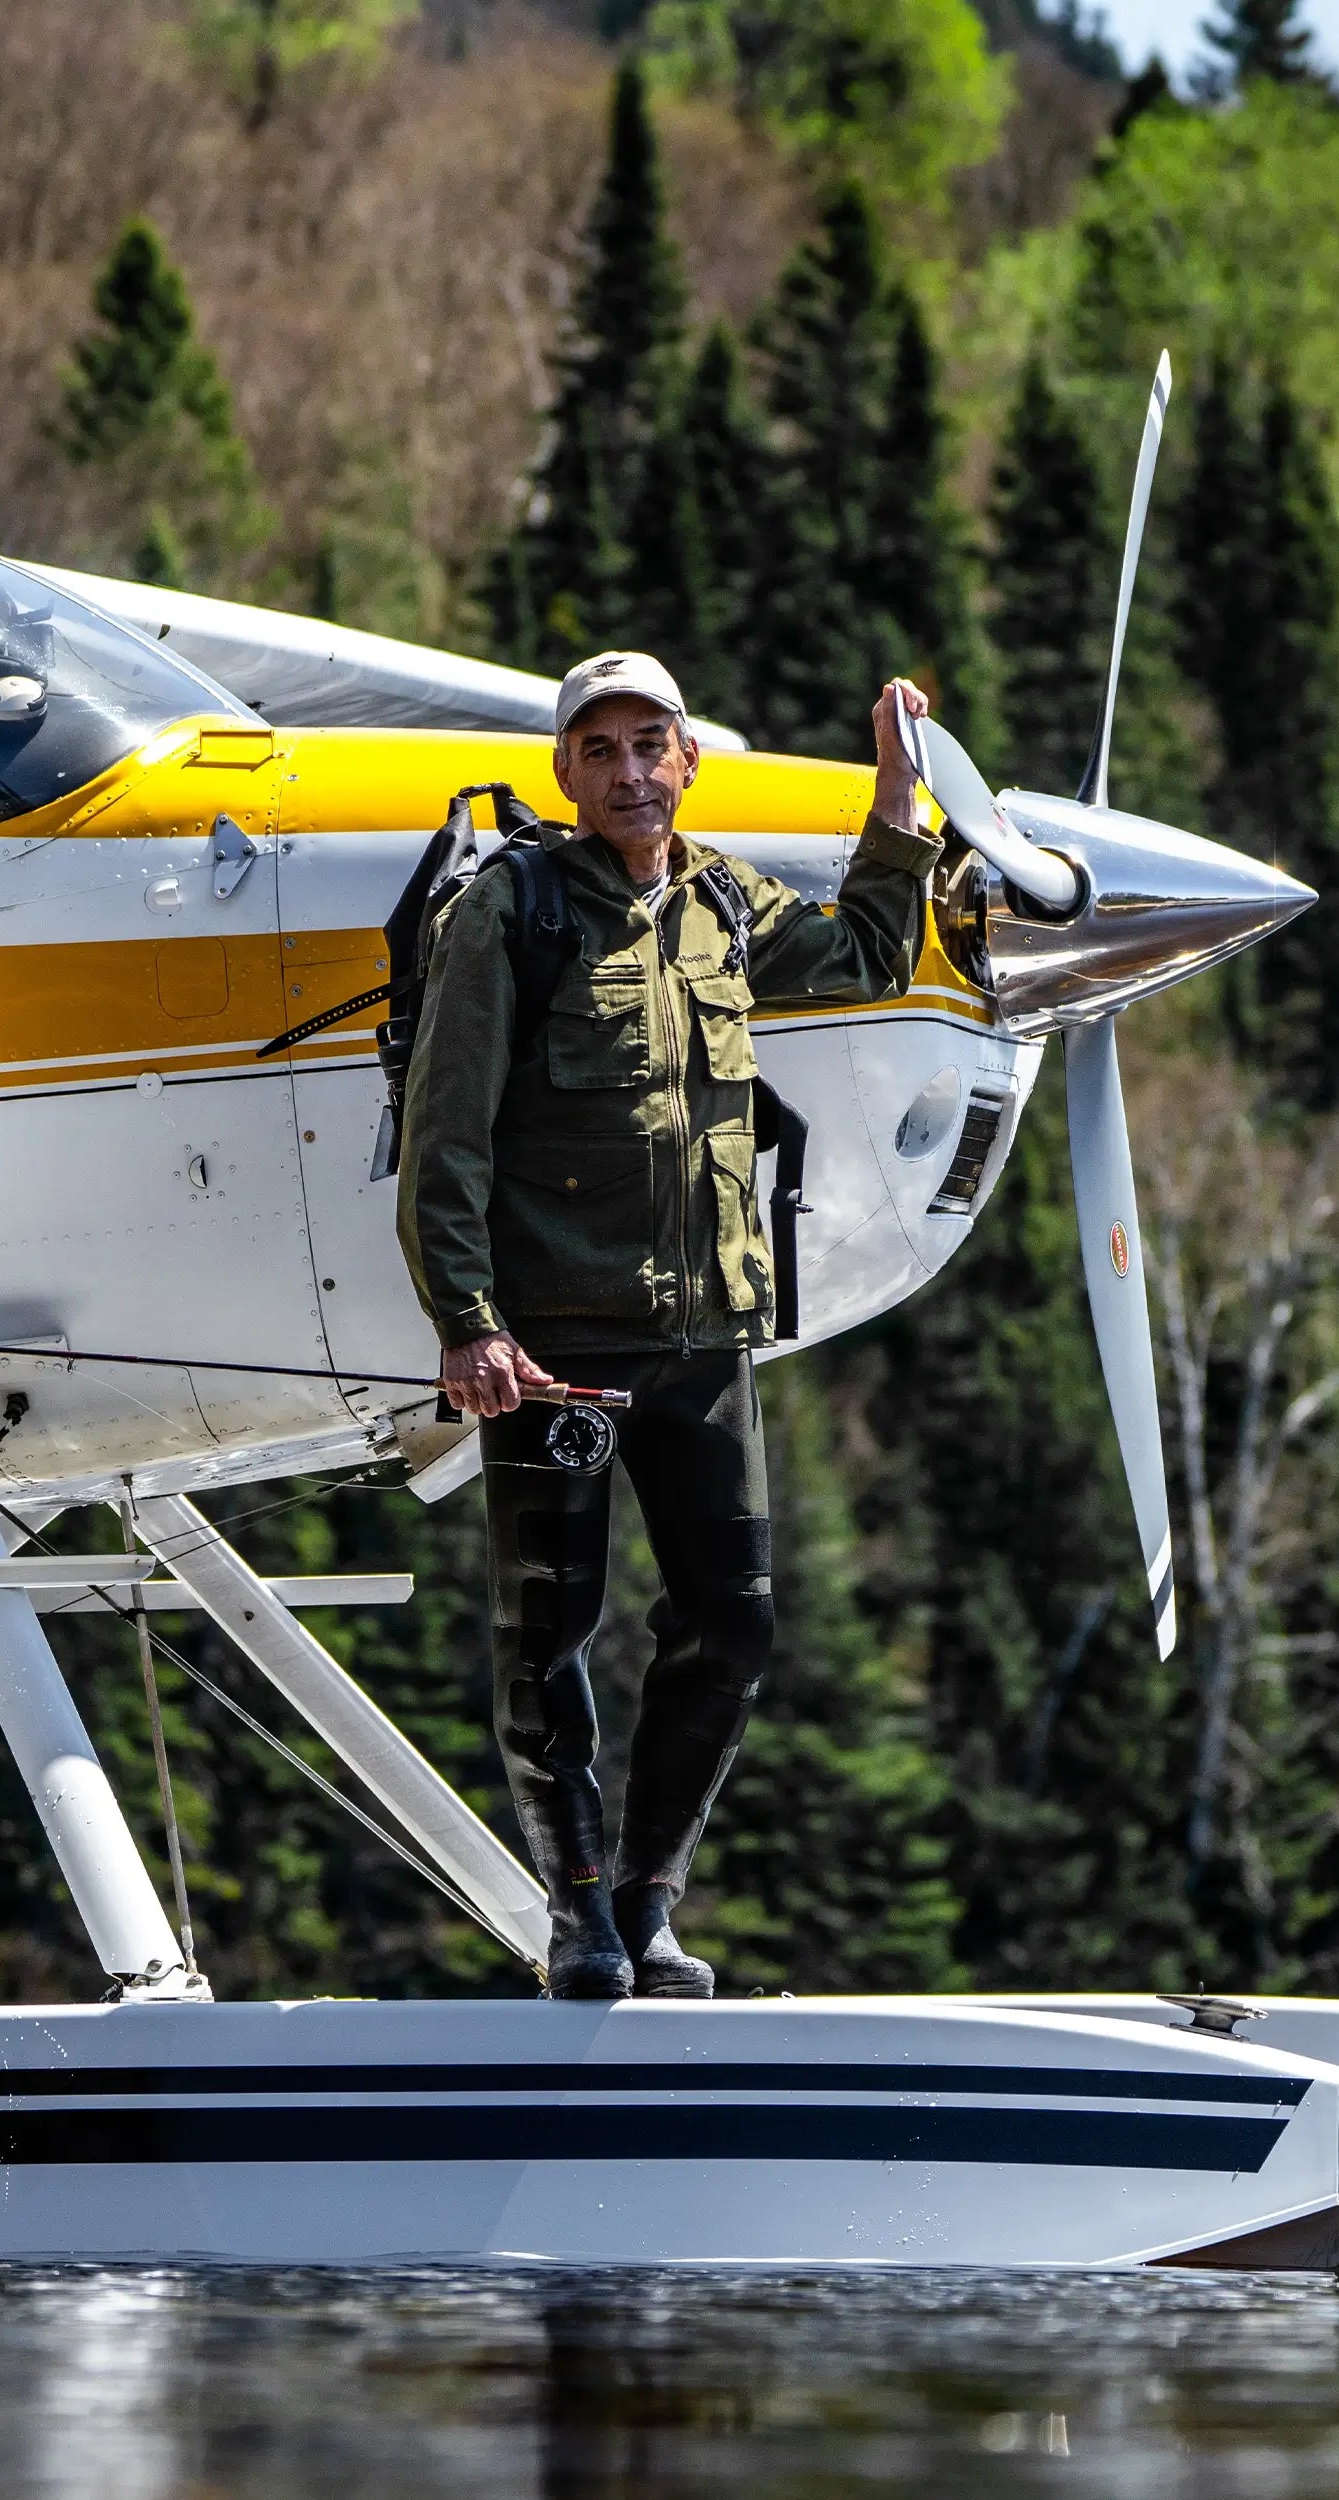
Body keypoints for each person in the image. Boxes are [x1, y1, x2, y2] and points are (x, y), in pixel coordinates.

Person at [397, 652, 940, 1998]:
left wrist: (902, 799)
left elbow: (871, 951)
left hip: (705, 1338)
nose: (631, 773)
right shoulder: (510, 914)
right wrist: (466, 1322)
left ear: (689, 760)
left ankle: (647, 1900)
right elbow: (443, 1138)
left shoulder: (727, 905)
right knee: (550, 1631)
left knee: (733, 1623)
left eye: (653, 746)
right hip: (552, 1350)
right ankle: (577, 1916)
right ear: (566, 774)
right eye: (602, 751)